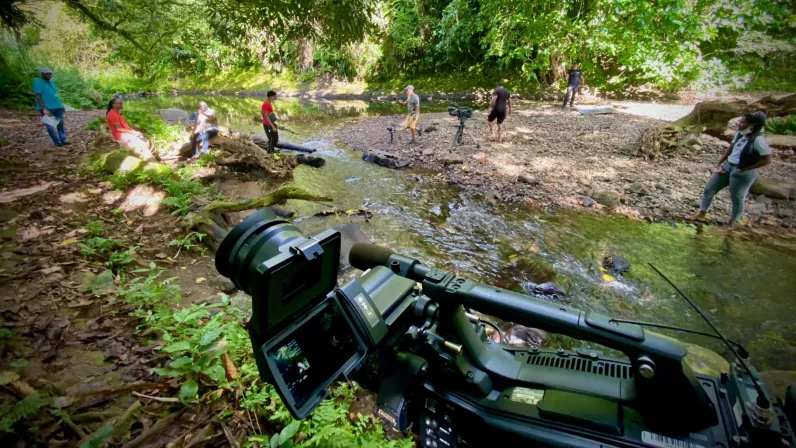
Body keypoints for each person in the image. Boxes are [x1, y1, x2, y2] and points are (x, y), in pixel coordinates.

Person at [687, 111, 772, 226]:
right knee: (709, 189)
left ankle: (732, 223)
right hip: (728, 166)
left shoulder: (758, 140)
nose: (738, 123)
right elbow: (730, 148)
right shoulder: (740, 134)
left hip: (742, 171)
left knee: (737, 198)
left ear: (752, 125)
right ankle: (701, 214)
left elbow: (767, 160)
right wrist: (720, 163)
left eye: (743, 122)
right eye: (740, 121)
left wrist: (747, 168)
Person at [33, 67, 69, 147]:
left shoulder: (51, 82)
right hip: (47, 107)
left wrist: (61, 105)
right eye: (47, 74)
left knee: (60, 122)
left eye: (50, 74)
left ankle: (63, 140)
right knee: (50, 125)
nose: (49, 75)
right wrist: (44, 108)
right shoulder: (37, 82)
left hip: (57, 106)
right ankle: (56, 141)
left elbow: (56, 94)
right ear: (43, 74)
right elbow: (38, 96)